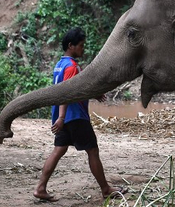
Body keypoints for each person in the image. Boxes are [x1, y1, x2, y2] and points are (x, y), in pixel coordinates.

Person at [34, 28, 124, 202]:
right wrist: (62, 118)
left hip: (63, 117)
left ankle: (40, 188)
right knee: (92, 151)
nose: (83, 49)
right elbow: (67, 93)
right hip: (74, 117)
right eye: (81, 45)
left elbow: (77, 89)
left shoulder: (60, 65)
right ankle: (106, 189)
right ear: (71, 46)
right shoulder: (72, 67)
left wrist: (94, 94)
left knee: (58, 150)